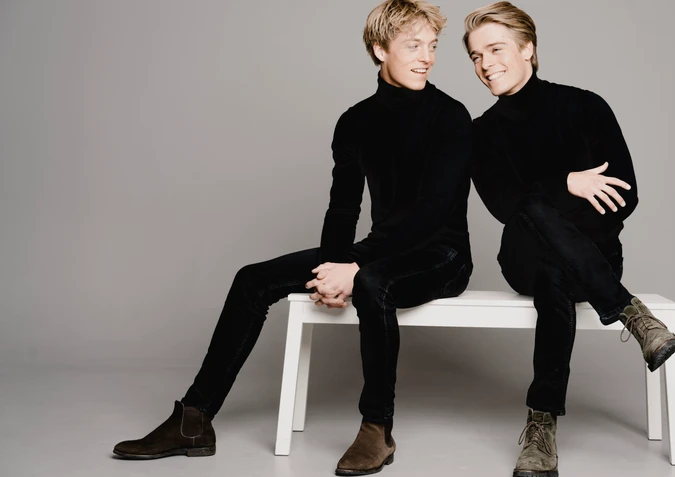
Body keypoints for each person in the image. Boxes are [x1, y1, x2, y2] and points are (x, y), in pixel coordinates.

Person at [113, 2, 473, 475]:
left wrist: (355, 268)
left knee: (372, 283)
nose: (426, 57)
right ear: (379, 48)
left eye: (432, 46)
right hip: (379, 249)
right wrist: (331, 267)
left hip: (441, 255)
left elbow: (433, 212)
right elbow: (343, 208)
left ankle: (376, 429)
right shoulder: (355, 121)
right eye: (413, 45)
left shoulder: (451, 116)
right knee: (251, 280)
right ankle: (194, 419)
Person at [463, 3, 675, 476]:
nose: (485, 64)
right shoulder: (480, 134)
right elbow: (506, 207)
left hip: (594, 257)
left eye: (495, 49)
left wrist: (544, 203)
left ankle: (541, 423)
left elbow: (625, 194)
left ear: (529, 49)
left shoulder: (585, 105)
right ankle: (630, 314)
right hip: (521, 256)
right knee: (534, 215)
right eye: (476, 56)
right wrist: (568, 184)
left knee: (554, 273)